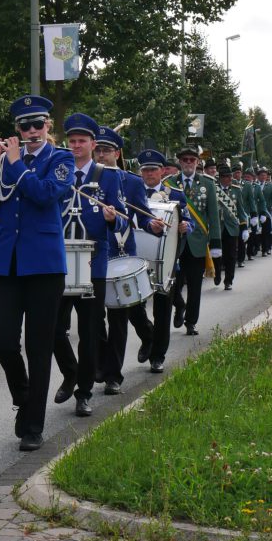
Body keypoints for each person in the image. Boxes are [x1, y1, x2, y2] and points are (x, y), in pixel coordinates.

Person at [0, 95, 74, 451]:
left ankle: (33, 424)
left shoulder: (60, 158)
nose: (32, 131)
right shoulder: (6, 161)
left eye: (38, 125)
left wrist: (16, 164)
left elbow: (46, 194)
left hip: (45, 265)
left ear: (48, 126)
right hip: (8, 261)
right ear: (16, 129)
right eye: (24, 126)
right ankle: (24, 396)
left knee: (39, 346)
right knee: (1, 340)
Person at [52, 114, 129, 413]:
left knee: (89, 331)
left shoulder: (107, 175)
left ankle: (83, 391)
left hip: (94, 263)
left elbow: (123, 217)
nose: (76, 146)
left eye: (82, 141)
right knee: (54, 329)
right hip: (59, 261)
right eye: (71, 141)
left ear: (93, 144)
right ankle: (70, 372)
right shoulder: (58, 171)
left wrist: (113, 218)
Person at [94, 126, 152, 393]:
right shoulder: (87, 178)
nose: (102, 155)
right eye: (99, 150)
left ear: (117, 153)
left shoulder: (131, 181)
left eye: (106, 151)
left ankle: (113, 375)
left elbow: (144, 215)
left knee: (120, 315)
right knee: (95, 318)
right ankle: (104, 362)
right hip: (94, 256)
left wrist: (155, 226)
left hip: (120, 252)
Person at [130, 149, 192, 373]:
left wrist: (186, 227)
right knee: (132, 306)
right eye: (145, 170)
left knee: (163, 309)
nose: (148, 174)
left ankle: (158, 356)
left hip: (166, 260)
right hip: (135, 258)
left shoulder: (175, 194)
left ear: (163, 171)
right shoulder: (131, 190)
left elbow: (187, 221)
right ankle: (147, 335)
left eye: (153, 169)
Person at [164, 145, 221, 336]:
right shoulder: (169, 183)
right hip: (174, 243)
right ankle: (179, 306)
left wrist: (216, 243)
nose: (188, 163)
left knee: (195, 285)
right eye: (185, 160)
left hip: (197, 243)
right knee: (171, 284)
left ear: (198, 162)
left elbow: (213, 215)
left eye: (192, 160)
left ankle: (191, 321)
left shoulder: (208, 184)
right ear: (180, 162)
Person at [215, 164, 248, 290]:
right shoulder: (213, 189)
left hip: (232, 227)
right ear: (220, 178)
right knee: (217, 253)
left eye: (230, 176)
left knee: (231, 255)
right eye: (226, 177)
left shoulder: (236, 190)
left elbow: (241, 210)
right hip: (217, 227)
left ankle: (228, 280)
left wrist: (244, 227)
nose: (229, 179)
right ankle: (217, 274)